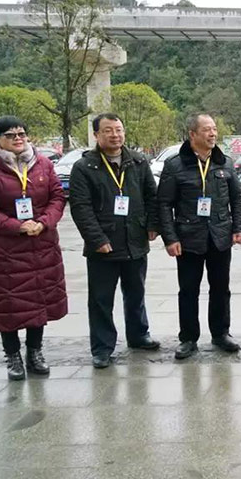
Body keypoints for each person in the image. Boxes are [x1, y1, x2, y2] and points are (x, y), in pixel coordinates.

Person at [0, 116, 67, 380]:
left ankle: (35, 352)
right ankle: (12, 355)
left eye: (22, 134)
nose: (18, 139)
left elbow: (57, 198)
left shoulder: (43, 164)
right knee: (8, 304)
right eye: (10, 135)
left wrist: (43, 222)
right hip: (6, 250)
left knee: (39, 300)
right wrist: (17, 226)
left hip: (42, 244)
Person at [69, 113, 161, 369]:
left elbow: (152, 197)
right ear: (96, 135)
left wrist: (153, 226)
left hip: (135, 239)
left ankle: (139, 335)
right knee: (101, 299)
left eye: (119, 130)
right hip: (104, 245)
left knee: (136, 292)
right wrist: (97, 239)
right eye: (108, 130)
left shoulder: (138, 161)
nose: (115, 135)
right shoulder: (84, 167)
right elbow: (81, 208)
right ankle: (102, 347)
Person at [158, 113, 241, 360]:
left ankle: (221, 333)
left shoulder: (224, 162)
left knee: (221, 288)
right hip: (188, 238)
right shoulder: (175, 165)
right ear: (192, 134)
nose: (212, 134)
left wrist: (239, 228)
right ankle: (188, 338)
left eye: (214, 129)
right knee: (188, 290)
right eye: (207, 129)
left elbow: (237, 197)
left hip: (220, 235)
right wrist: (170, 238)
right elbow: (164, 204)